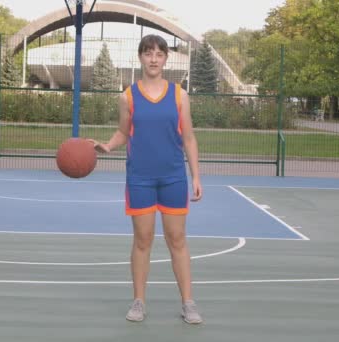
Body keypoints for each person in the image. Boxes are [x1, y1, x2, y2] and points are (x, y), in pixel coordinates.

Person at [90, 35, 203, 324]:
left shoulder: (180, 95)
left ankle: (188, 303)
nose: (154, 59)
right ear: (140, 57)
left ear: (166, 59)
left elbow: (189, 137)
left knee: (177, 239)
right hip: (140, 177)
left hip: (173, 177)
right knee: (143, 240)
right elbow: (123, 132)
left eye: (159, 54)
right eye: (148, 53)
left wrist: (196, 176)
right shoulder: (127, 96)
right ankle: (138, 301)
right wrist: (108, 146)